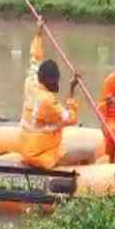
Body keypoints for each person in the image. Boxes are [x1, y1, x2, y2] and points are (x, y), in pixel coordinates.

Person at [19, 21, 80, 169]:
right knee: (85, 155)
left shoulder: (31, 80)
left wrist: (39, 33)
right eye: (55, 81)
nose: (57, 84)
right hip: (39, 154)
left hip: (27, 145)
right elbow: (71, 119)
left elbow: (35, 57)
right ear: (48, 80)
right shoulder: (48, 101)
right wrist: (72, 90)